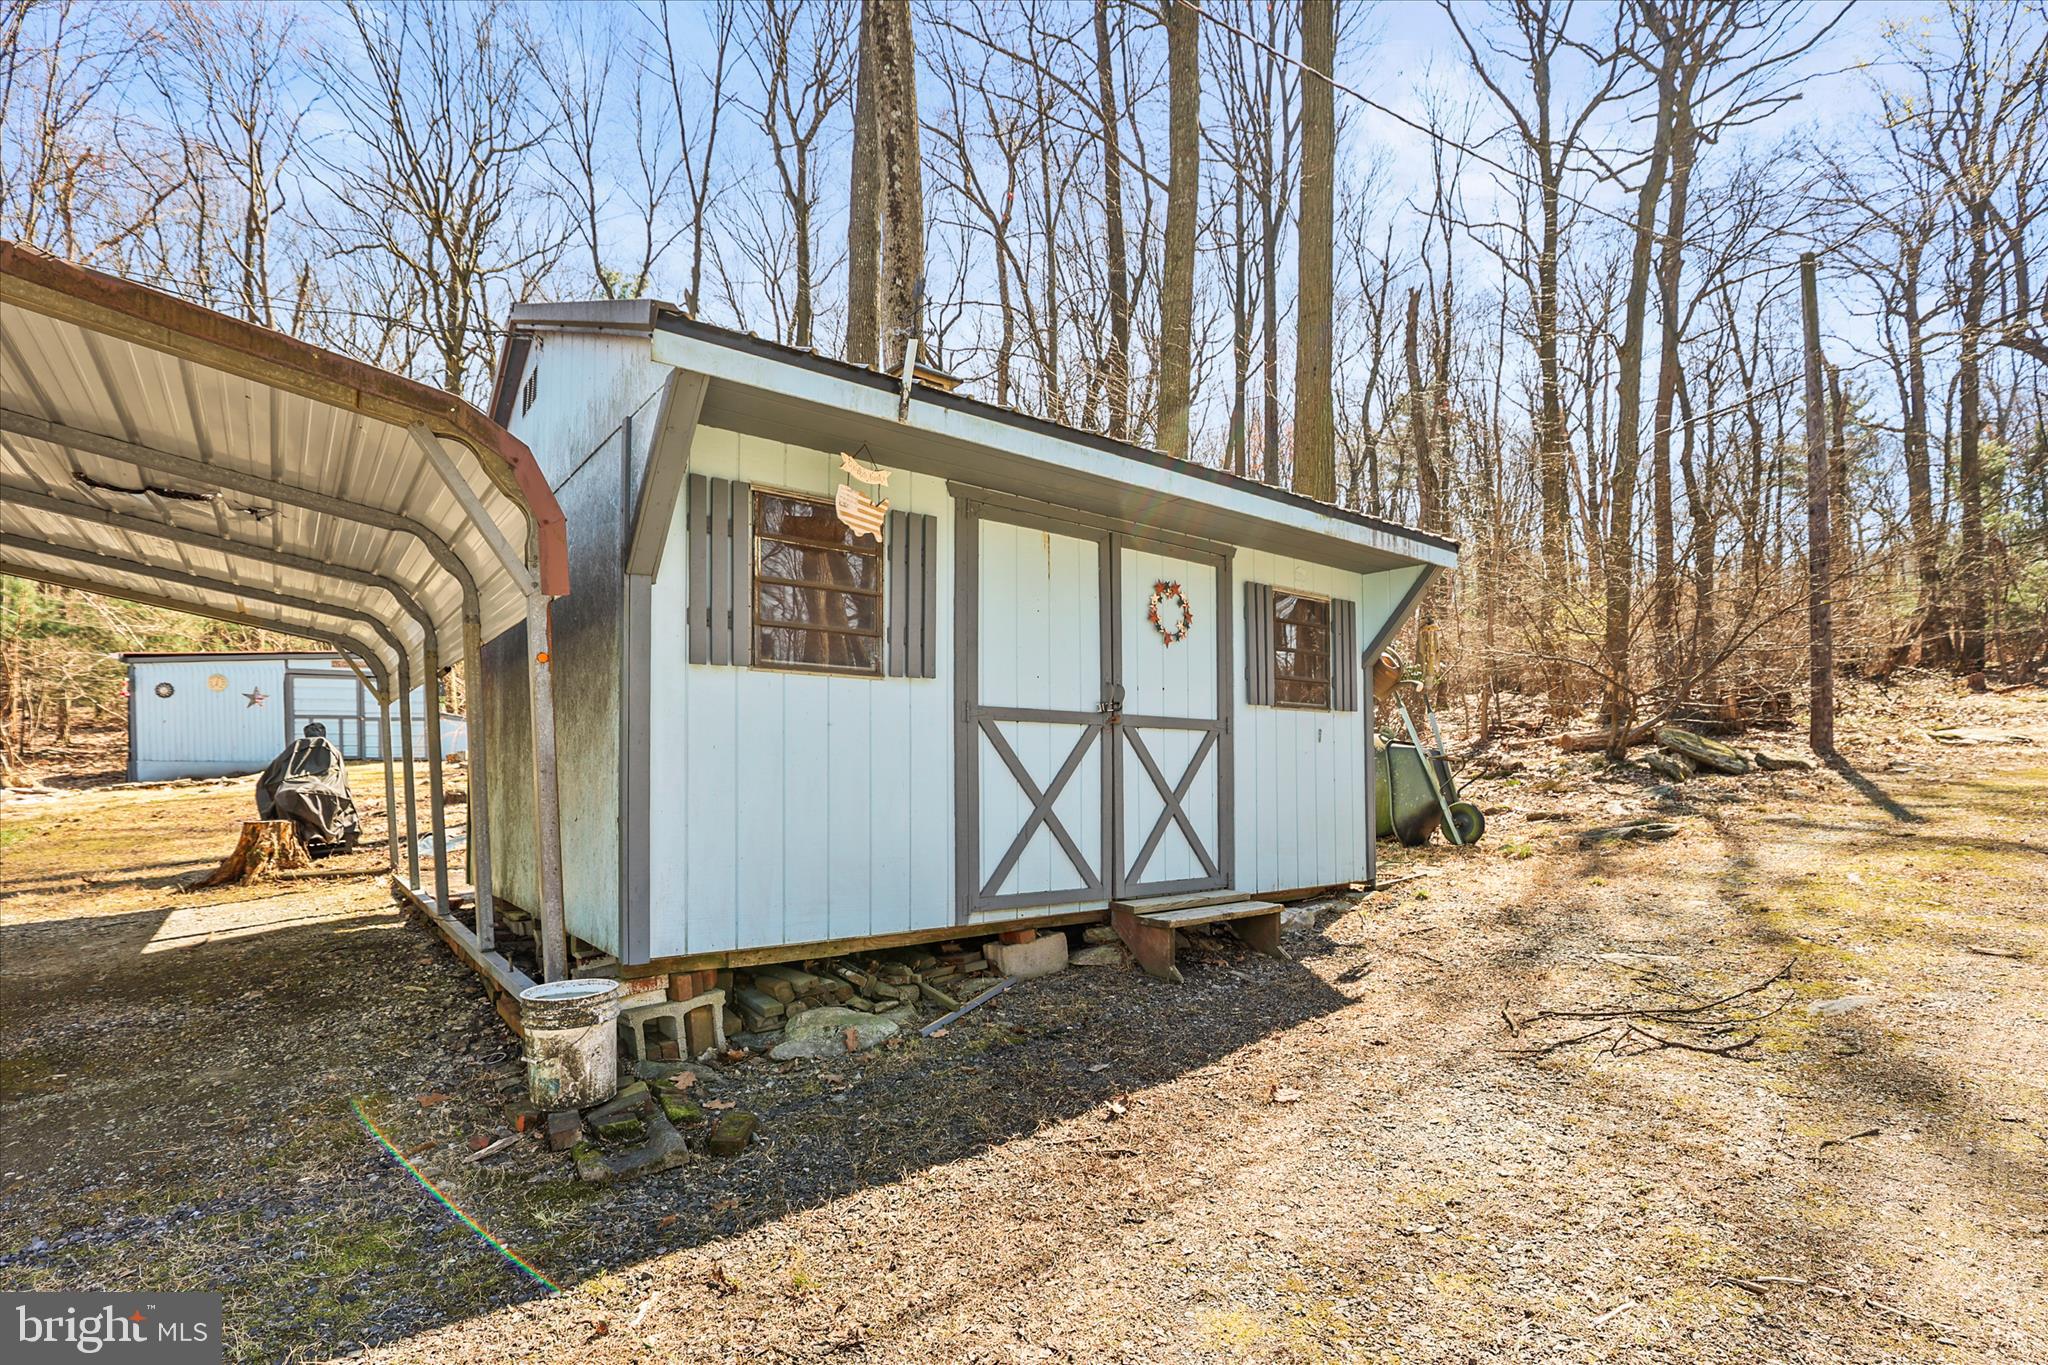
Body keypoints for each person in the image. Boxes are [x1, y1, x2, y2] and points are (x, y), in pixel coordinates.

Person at [255, 722, 360, 852]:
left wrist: (271, 786)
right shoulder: (328, 747)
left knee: (284, 797)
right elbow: (341, 776)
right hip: (324, 787)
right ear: (324, 733)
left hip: (290, 788)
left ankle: (307, 833)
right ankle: (316, 833)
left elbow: (272, 772)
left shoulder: (295, 747)